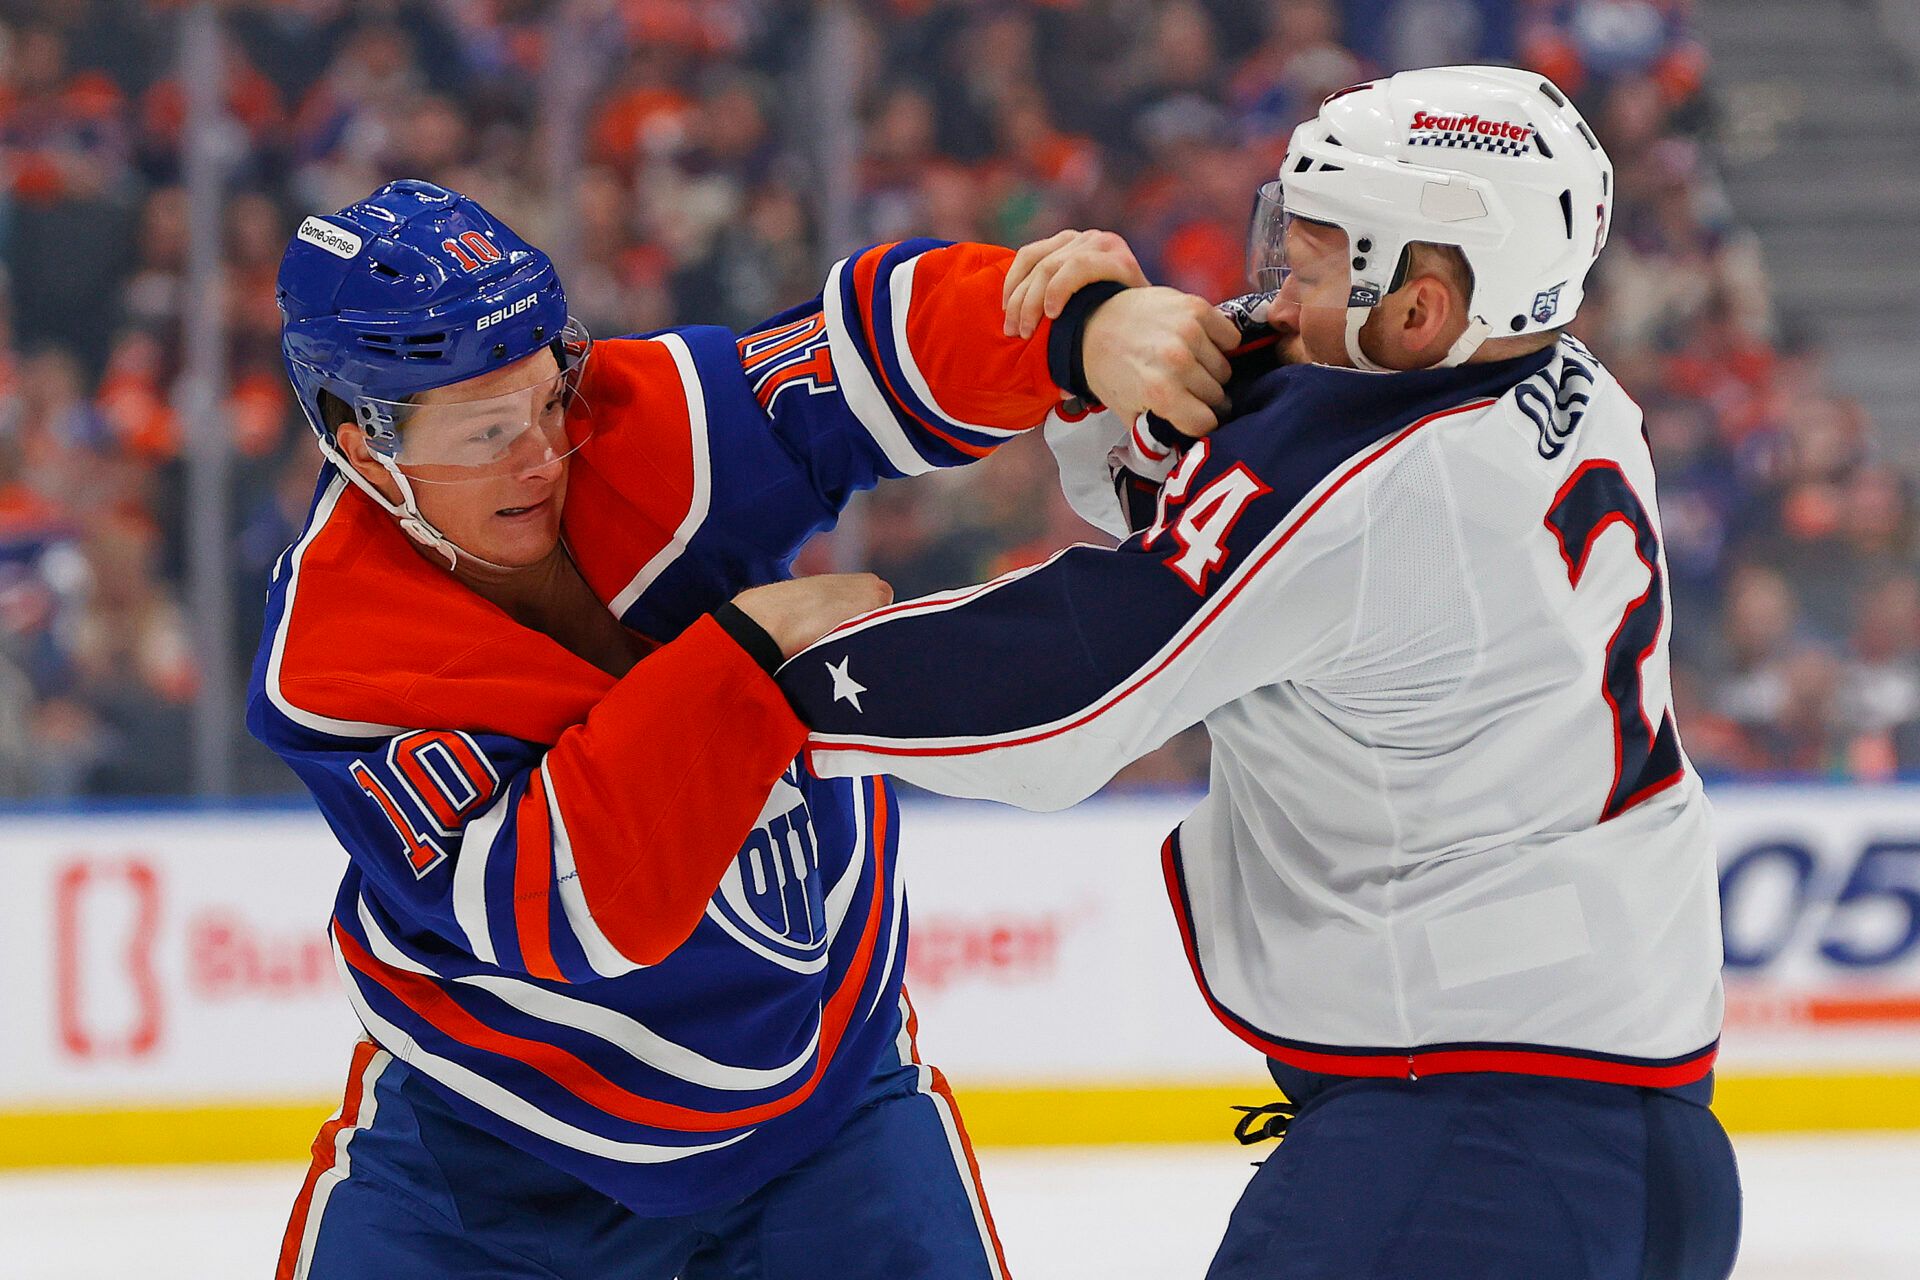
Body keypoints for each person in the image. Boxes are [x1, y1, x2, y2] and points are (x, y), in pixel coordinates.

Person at [777, 67, 1741, 1279]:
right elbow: (1233, 521)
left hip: (1472, 1150)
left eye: (1319, 260)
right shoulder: (1570, 391)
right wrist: (1108, 357)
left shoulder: (1375, 494)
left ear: (1420, 309)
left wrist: (763, 677)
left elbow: (1064, 700)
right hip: (1604, 1135)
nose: (1277, 289)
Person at [250, 178, 1236, 1279]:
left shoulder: (633, 416)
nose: (540, 453)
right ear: (357, 434)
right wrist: (748, 653)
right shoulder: (336, 661)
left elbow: (857, 357)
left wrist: (1071, 330)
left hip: (829, 1108)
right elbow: (571, 901)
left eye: (544, 396)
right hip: (494, 1153)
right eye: (485, 430)